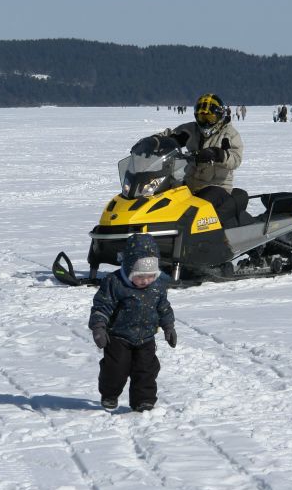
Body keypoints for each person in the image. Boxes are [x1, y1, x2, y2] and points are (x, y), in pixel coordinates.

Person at [89, 233, 176, 412]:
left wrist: (168, 327)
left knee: (146, 371)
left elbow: (164, 308)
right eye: (140, 276)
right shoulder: (115, 283)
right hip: (119, 337)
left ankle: (143, 401)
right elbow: (102, 306)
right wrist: (99, 327)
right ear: (129, 269)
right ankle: (110, 394)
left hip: (146, 338)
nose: (146, 281)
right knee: (116, 370)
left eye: (151, 276)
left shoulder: (158, 286)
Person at [131, 93, 244, 223]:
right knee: (162, 200)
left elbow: (236, 159)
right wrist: (153, 142)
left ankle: (206, 237)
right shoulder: (191, 130)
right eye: (202, 117)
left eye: (210, 118)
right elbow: (171, 137)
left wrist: (217, 154)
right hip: (189, 184)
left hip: (217, 186)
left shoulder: (229, 135)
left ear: (219, 116)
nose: (205, 122)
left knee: (196, 211)